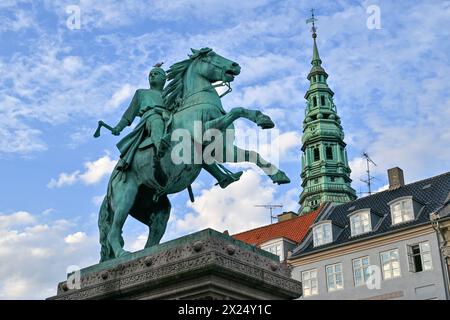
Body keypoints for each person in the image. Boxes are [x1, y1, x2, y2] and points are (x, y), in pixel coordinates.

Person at [111, 63, 242, 188]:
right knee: (157, 121)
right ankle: (160, 147)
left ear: (164, 78)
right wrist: (118, 127)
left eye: (156, 73)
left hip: (170, 119)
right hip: (151, 117)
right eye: (150, 74)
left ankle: (221, 177)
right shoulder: (141, 93)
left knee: (195, 145)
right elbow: (129, 114)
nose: (152, 76)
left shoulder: (169, 95)